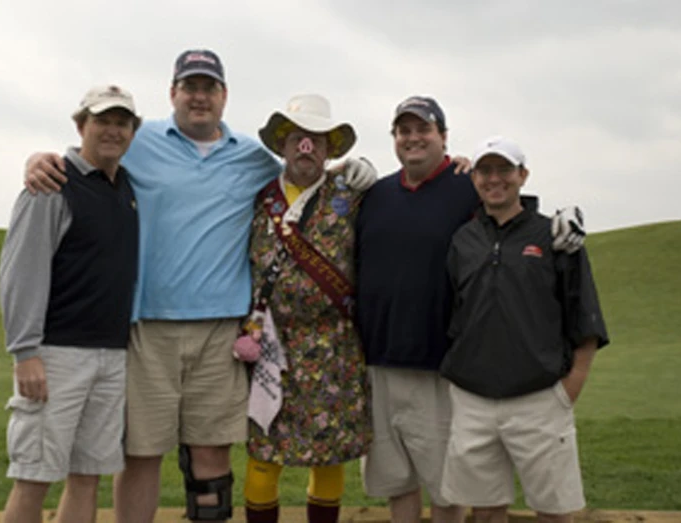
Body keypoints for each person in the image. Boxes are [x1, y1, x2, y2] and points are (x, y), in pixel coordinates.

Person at [23, 50, 376, 523]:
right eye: (190, 87)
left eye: (209, 87)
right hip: (149, 326)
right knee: (142, 454)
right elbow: (89, 154)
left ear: (224, 96)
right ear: (172, 93)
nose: (199, 96)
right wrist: (38, 158)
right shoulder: (138, 140)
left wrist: (356, 169)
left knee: (211, 456)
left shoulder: (251, 156)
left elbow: (303, 174)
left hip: (222, 333)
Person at [355, 97, 587, 523]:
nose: (413, 138)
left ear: (443, 137)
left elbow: (512, 216)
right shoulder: (374, 195)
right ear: (394, 139)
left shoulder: (467, 184)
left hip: (440, 364)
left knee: (449, 488)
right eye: (403, 130)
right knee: (395, 482)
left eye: (423, 129)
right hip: (378, 362)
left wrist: (564, 216)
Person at [440, 136, 609, 523]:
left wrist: (570, 388)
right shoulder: (463, 240)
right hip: (473, 398)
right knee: (484, 510)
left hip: (540, 398)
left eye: (504, 169)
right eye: (485, 170)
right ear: (475, 178)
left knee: (553, 510)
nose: (494, 179)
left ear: (523, 175)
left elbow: (584, 316)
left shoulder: (554, 236)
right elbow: (452, 310)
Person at [0, 85, 141, 523]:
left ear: (133, 131)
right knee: (35, 477)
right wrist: (26, 354)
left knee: (87, 477)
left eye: (122, 122)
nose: (113, 131)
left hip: (112, 355)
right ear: (81, 125)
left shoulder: (127, 187)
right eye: (102, 120)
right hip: (56, 356)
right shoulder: (52, 185)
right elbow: (20, 272)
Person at [233, 94, 372, 523]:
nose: (306, 148)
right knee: (263, 455)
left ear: (330, 148)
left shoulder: (356, 193)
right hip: (269, 346)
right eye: (297, 138)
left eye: (315, 138)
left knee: (328, 455)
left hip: (335, 348)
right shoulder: (256, 198)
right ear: (282, 144)